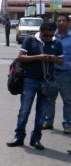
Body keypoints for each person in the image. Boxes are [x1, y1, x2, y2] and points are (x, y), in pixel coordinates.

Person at [6, 22, 62, 150]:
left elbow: (61, 60)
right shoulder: (30, 40)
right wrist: (39, 57)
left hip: (46, 82)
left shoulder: (56, 43)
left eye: (51, 35)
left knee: (41, 113)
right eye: (46, 35)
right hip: (30, 80)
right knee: (24, 111)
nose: (48, 38)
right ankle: (19, 137)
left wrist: (53, 58)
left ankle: (36, 139)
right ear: (41, 31)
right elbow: (20, 57)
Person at [42, 14, 71, 132]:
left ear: (68, 22)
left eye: (63, 20)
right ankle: (48, 122)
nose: (61, 22)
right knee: (49, 98)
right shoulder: (51, 36)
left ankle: (67, 124)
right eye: (58, 21)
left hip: (66, 73)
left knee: (68, 100)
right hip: (51, 72)